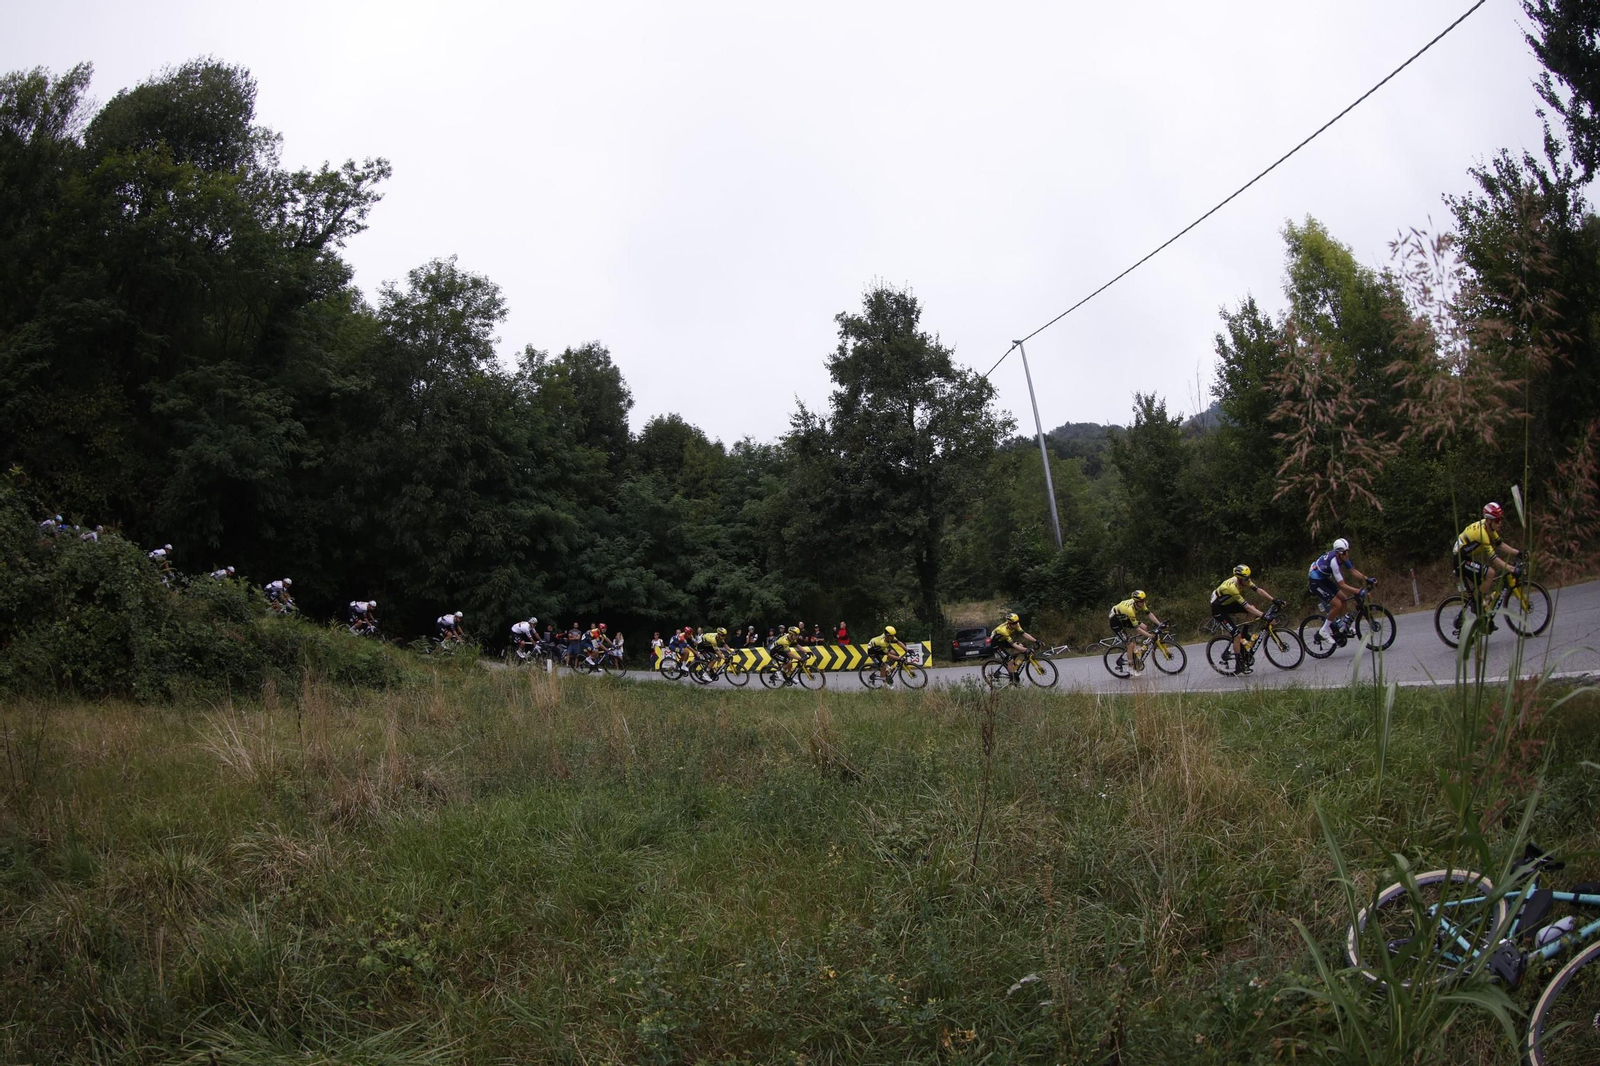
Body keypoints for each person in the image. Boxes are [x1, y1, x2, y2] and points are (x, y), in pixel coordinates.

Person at [1453, 502, 1521, 614]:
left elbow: (1501, 545)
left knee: (1487, 581)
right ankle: (1480, 607)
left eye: (1500, 519)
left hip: (1466, 557)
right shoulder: (1482, 534)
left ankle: (1483, 607)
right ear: (1489, 520)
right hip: (1460, 560)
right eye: (1497, 520)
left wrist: (1518, 553)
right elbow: (1495, 559)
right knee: (1490, 573)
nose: (1500, 523)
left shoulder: (1489, 527)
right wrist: (1512, 569)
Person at [1210, 565, 1279, 673]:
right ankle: (1239, 665)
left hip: (1227, 603)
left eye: (1249, 577)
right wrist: (1265, 616)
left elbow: (1258, 590)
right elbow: (1246, 606)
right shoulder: (1232, 588)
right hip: (1218, 608)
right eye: (1246, 579)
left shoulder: (1244, 580)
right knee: (1236, 635)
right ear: (1239, 579)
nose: (1249, 580)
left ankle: (1244, 633)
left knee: (1253, 609)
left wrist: (1274, 600)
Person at [1308, 538, 1370, 646]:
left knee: (1344, 598)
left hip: (1323, 578)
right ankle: (1324, 630)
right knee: (1337, 604)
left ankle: (1341, 625)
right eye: (1345, 552)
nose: (1347, 554)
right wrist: (1359, 591)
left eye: (1348, 551)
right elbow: (1342, 584)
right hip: (1315, 581)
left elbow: (1353, 571)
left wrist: (1367, 579)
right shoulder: (1334, 562)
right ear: (1339, 553)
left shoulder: (1342, 557)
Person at [1108, 591, 1164, 667]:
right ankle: (1131, 667)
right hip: (1115, 621)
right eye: (1141, 601)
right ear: (1136, 602)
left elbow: (1149, 614)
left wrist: (1159, 624)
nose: (1143, 602)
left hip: (1124, 617)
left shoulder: (1141, 603)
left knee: (1144, 627)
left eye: (1144, 600)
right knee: (1130, 644)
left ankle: (1136, 648)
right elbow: (1137, 629)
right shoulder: (1130, 610)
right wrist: (1149, 636)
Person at [990, 613, 1038, 677]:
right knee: (1010, 660)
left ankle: (1013, 664)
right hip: (996, 644)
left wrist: (1036, 641)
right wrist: (1026, 650)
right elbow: (1013, 645)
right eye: (1014, 623)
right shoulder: (1003, 630)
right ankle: (1012, 678)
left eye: (1017, 622)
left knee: (1020, 645)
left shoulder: (1016, 624)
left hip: (1003, 640)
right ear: (1009, 623)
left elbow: (1024, 634)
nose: (1016, 624)